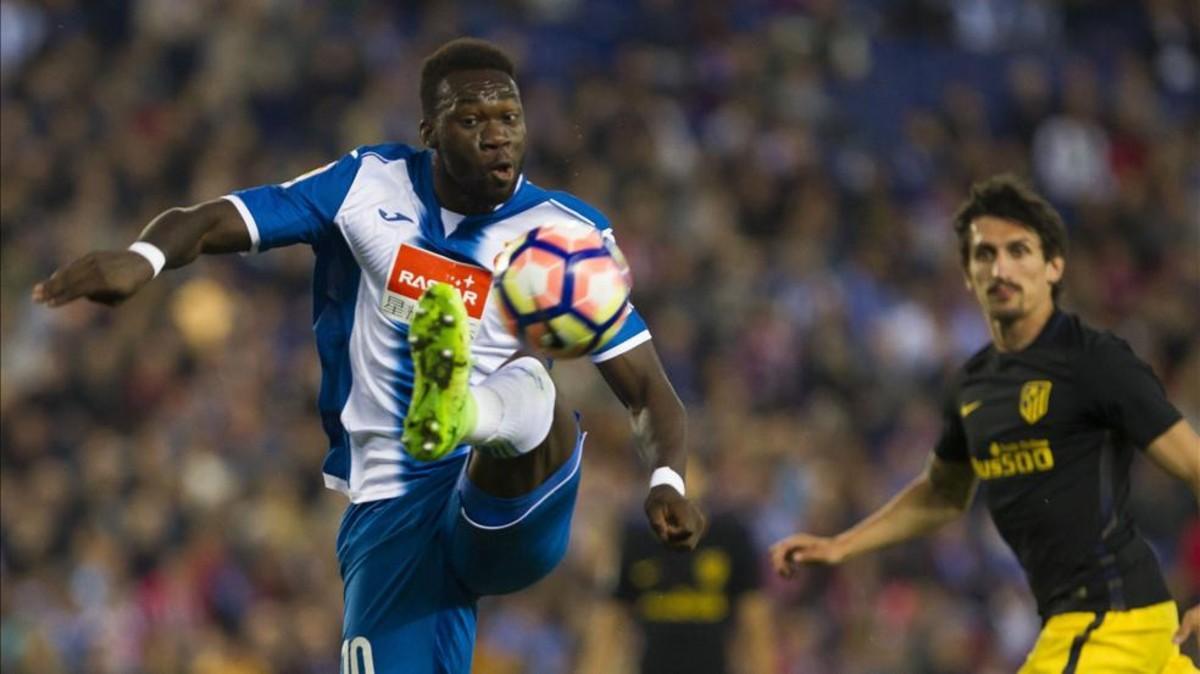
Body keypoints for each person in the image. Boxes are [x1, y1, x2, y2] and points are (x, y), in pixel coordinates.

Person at [32, 37, 705, 674]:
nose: (497, 132)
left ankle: (462, 412)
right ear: (429, 131)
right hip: (389, 508)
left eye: (509, 115)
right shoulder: (365, 185)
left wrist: (667, 481)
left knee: (535, 387)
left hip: (504, 493)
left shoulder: (565, 236)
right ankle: (457, 408)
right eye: (471, 118)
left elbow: (648, 389)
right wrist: (142, 258)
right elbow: (211, 218)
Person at [770, 175, 1200, 673]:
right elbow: (941, 494)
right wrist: (841, 545)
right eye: (984, 254)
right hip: (1103, 625)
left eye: (1019, 251)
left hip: (1110, 624)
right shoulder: (971, 386)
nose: (1001, 268)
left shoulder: (1095, 361)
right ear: (967, 273)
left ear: (1053, 266)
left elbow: (1193, 462)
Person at [579, 461, 774, 674]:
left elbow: (756, 624)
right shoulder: (636, 543)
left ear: (704, 478)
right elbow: (608, 625)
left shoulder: (730, 539)